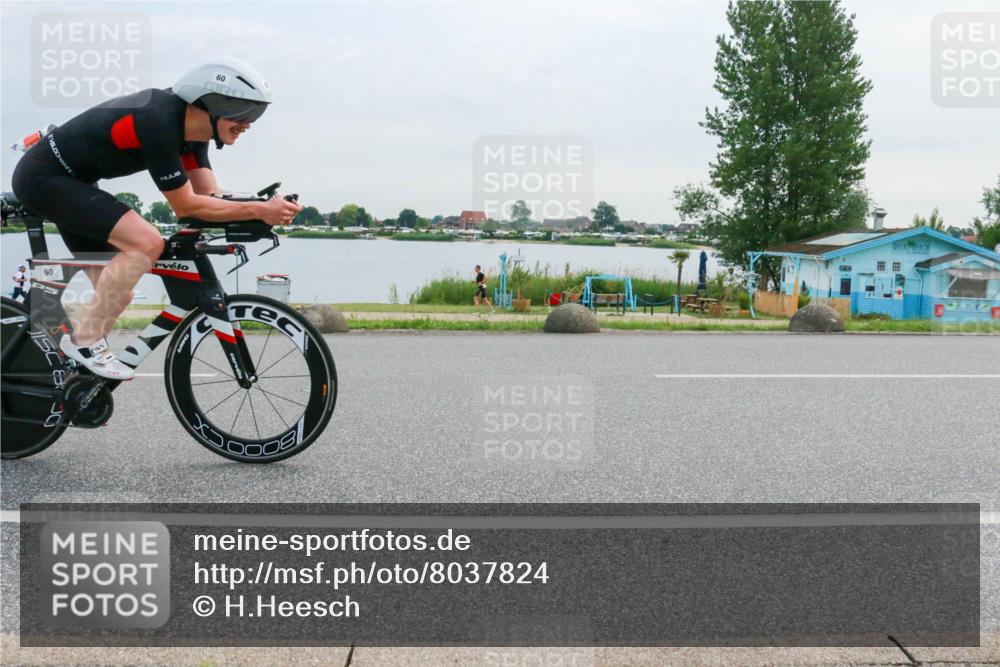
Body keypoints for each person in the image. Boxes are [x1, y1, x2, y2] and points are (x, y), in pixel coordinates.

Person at [11, 57, 302, 380]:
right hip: (43, 178)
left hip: (77, 183)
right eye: (244, 113)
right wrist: (260, 210)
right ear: (211, 105)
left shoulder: (193, 136)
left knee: (119, 289)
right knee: (146, 243)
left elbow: (210, 196)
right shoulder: (158, 119)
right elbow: (187, 206)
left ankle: (75, 385)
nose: (249, 124)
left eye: (255, 115)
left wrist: (263, 207)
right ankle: (84, 342)